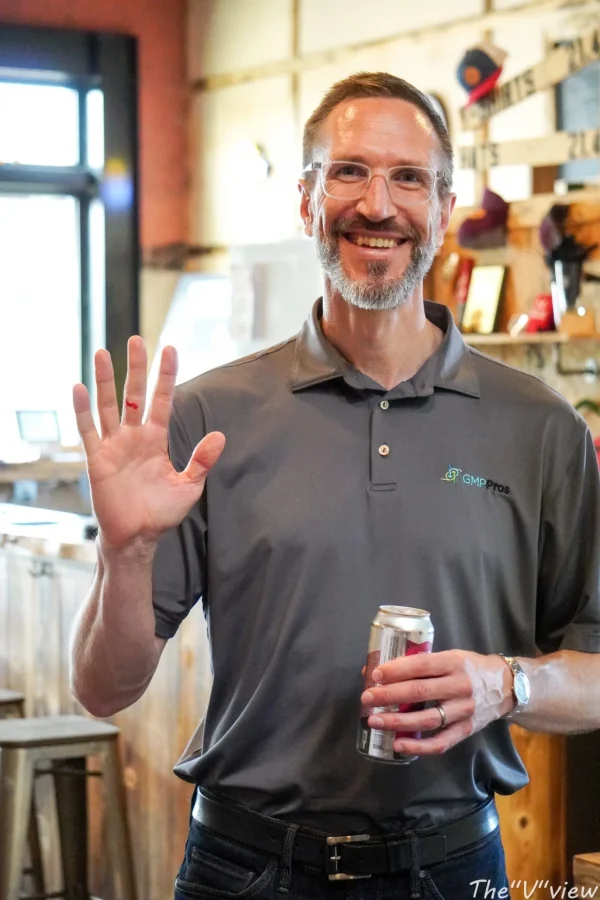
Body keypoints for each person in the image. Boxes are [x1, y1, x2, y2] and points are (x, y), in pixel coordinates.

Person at [70, 72, 600, 900]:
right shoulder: (209, 416)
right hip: (242, 867)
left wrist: (509, 684)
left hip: (452, 868)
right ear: (306, 199)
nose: (378, 205)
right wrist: (127, 551)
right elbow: (104, 689)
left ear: (445, 204)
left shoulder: (541, 429)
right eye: (348, 171)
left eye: (408, 178)